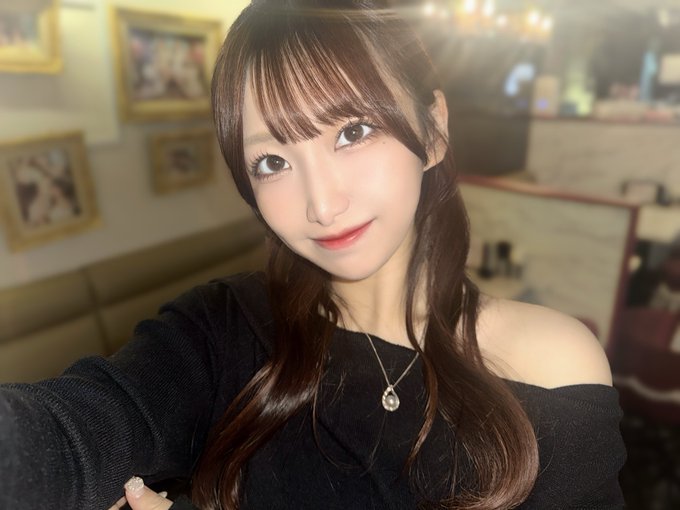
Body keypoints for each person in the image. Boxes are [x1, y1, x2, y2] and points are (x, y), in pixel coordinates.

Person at [0, 1, 626, 509]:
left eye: (352, 131)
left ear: (433, 129)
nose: (322, 205)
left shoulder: (549, 364)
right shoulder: (220, 331)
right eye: (272, 162)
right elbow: (64, 436)